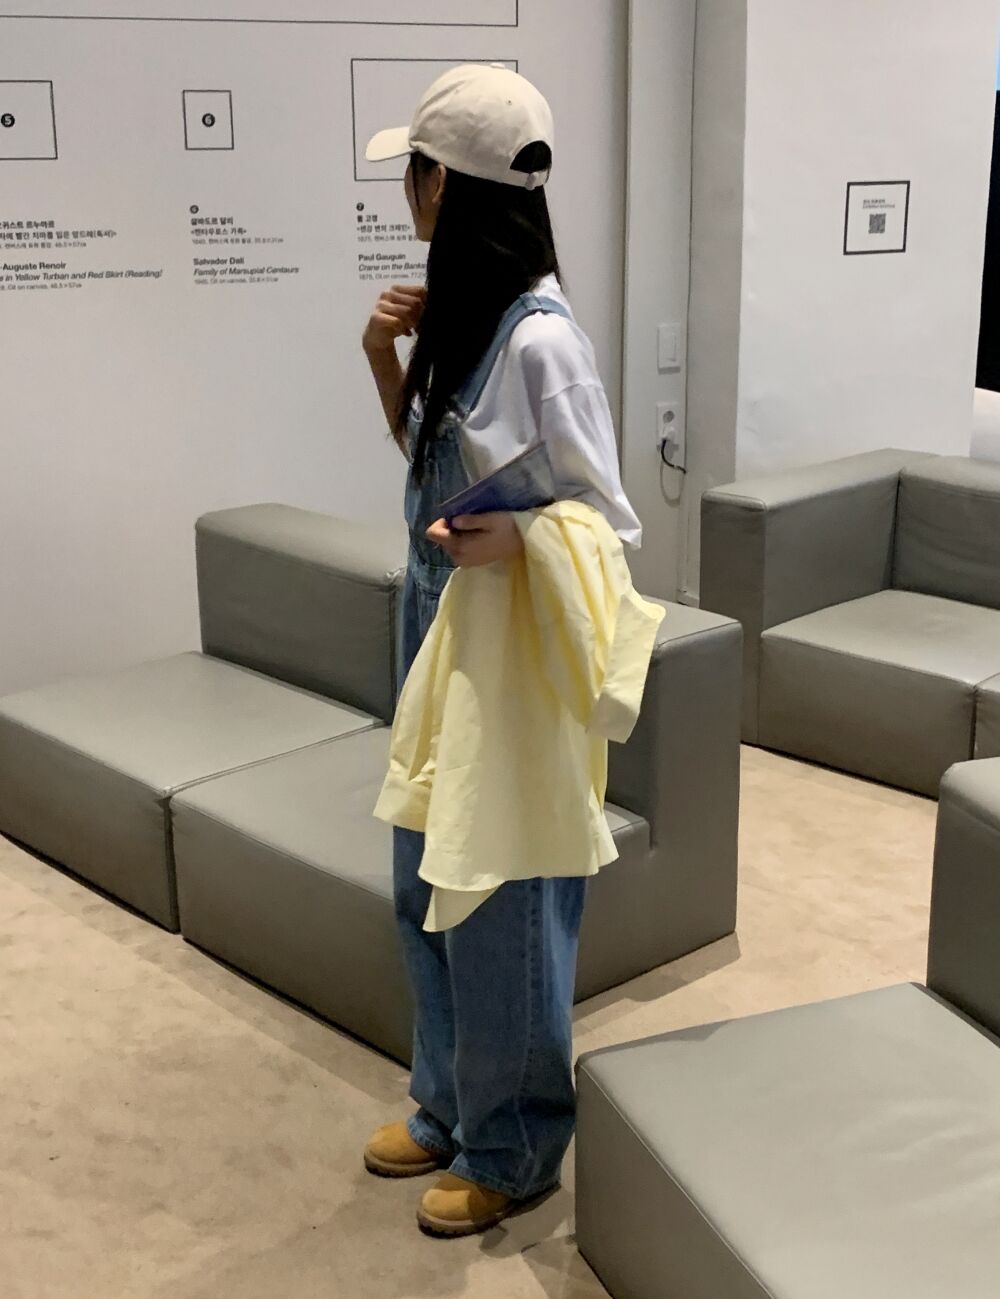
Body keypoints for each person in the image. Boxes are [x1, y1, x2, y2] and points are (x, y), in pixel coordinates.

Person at [360, 63, 642, 1238]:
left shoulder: (542, 343)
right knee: (426, 878)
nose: (406, 195)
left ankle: (515, 1145)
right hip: (445, 636)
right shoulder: (468, 317)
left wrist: (519, 538)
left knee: (505, 894)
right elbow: (430, 465)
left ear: (444, 186)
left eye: (414, 174)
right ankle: (447, 1104)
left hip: (508, 650)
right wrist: (381, 357)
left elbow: (606, 530)